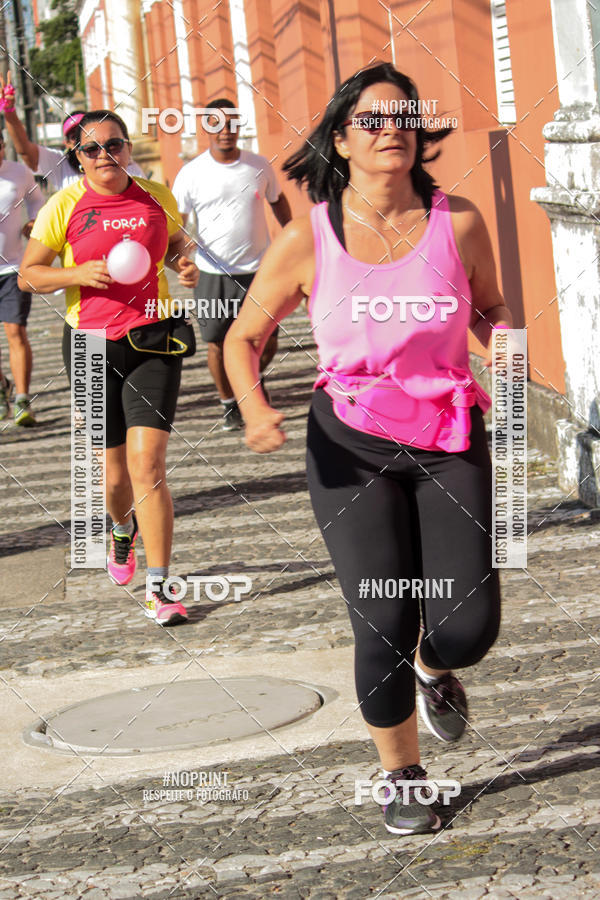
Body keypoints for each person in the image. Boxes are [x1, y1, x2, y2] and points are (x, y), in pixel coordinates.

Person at [225, 63, 510, 835]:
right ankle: (403, 776)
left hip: (449, 436)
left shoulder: (460, 223)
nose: (392, 130)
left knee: (467, 627)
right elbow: (244, 336)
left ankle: (436, 668)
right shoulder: (308, 236)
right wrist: (254, 407)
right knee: (382, 619)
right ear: (342, 140)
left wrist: (504, 347)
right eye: (372, 120)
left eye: (403, 118)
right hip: (349, 444)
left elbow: (489, 308)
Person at [18, 109, 199, 626]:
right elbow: (30, 274)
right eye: (91, 148)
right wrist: (76, 273)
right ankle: (122, 530)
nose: (104, 155)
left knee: (148, 466)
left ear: (128, 148)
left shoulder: (155, 197)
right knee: (114, 475)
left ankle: (160, 588)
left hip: (153, 338)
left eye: (114, 144)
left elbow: (176, 246)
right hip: (91, 346)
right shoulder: (64, 204)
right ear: (77, 156)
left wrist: (184, 264)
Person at [172, 98, 291, 430]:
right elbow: (176, 224)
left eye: (232, 123)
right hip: (213, 273)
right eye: (217, 124)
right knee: (216, 342)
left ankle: (251, 379)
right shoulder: (191, 174)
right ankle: (229, 403)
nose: (225, 131)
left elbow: (278, 200)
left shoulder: (259, 165)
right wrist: (182, 257)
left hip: (259, 270)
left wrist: (290, 238)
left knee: (267, 339)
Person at [0, 72, 145, 192]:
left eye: (84, 133)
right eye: (73, 136)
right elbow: (25, 151)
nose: (102, 155)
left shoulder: (123, 164)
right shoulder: (60, 165)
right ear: (68, 144)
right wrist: (9, 112)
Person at [0, 130, 45, 425]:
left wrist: (34, 222)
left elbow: (37, 201)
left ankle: (22, 399)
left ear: (3, 145)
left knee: (15, 331)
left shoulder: (19, 172)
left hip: (12, 267)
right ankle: (1, 387)